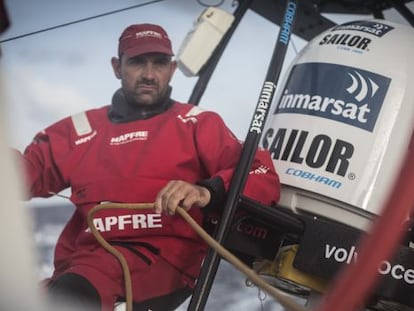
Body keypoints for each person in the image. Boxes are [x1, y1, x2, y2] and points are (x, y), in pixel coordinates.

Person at [15, 23, 281, 311]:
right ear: (117, 67)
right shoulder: (79, 130)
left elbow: (260, 173)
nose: (149, 75)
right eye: (137, 62)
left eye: (160, 63)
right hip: (81, 266)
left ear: (173, 68)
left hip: (162, 263)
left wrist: (206, 192)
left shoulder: (197, 123)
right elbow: (24, 174)